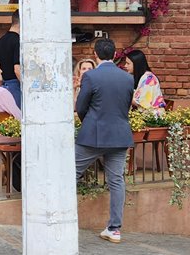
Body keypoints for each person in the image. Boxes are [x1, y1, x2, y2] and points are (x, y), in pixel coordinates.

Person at [75, 37, 134, 244]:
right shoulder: (127, 78)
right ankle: (115, 228)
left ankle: (63, 218)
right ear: (115, 54)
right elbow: (126, 106)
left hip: (93, 134)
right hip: (119, 134)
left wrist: (88, 122)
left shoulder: (90, 76)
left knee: (70, 174)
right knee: (116, 180)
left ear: (95, 54)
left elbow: (81, 106)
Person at [0, 10, 21, 109]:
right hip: (15, 86)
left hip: (3, 87)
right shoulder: (18, 41)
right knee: (18, 118)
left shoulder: (1, 40)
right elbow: (17, 69)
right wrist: (27, 87)